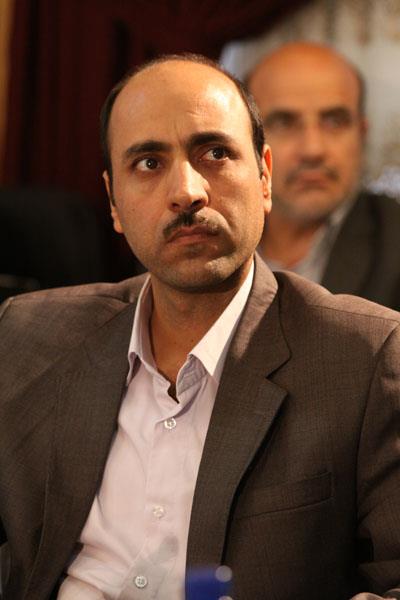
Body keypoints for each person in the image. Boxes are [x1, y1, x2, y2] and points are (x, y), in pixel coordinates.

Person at [0, 53, 399, 600]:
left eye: (215, 153)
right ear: (113, 201)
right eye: (148, 162)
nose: (187, 190)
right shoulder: (27, 334)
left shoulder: (366, 355)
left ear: (263, 177)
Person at [247, 42, 400, 310]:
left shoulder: (393, 241)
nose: (312, 150)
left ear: (362, 135)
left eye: (334, 122)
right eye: (284, 122)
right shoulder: (206, 236)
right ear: (245, 138)